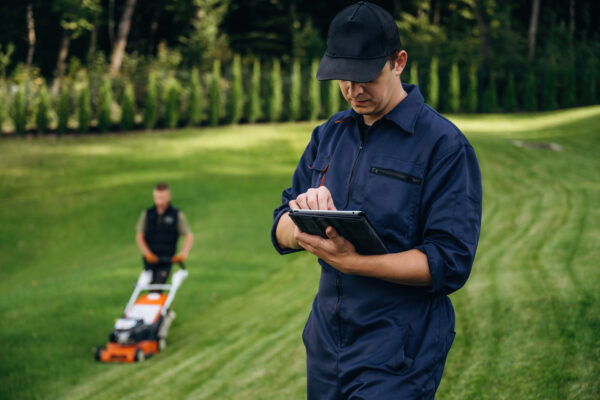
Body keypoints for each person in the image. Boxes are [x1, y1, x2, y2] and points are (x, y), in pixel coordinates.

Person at [271, 2, 482, 399]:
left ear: (398, 62)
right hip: (326, 347)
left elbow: (449, 262)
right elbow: (280, 222)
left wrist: (355, 263)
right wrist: (304, 226)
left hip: (399, 351)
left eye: (365, 75)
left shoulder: (444, 145)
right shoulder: (328, 135)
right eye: (342, 78)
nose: (353, 90)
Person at [136, 183, 193, 284]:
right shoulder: (148, 214)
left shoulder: (176, 214)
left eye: (162, 197)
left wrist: (182, 255)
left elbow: (188, 236)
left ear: (168, 197)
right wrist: (147, 253)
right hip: (150, 260)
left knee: (158, 286)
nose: (159, 200)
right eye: (157, 197)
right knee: (150, 287)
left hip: (167, 258)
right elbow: (140, 236)